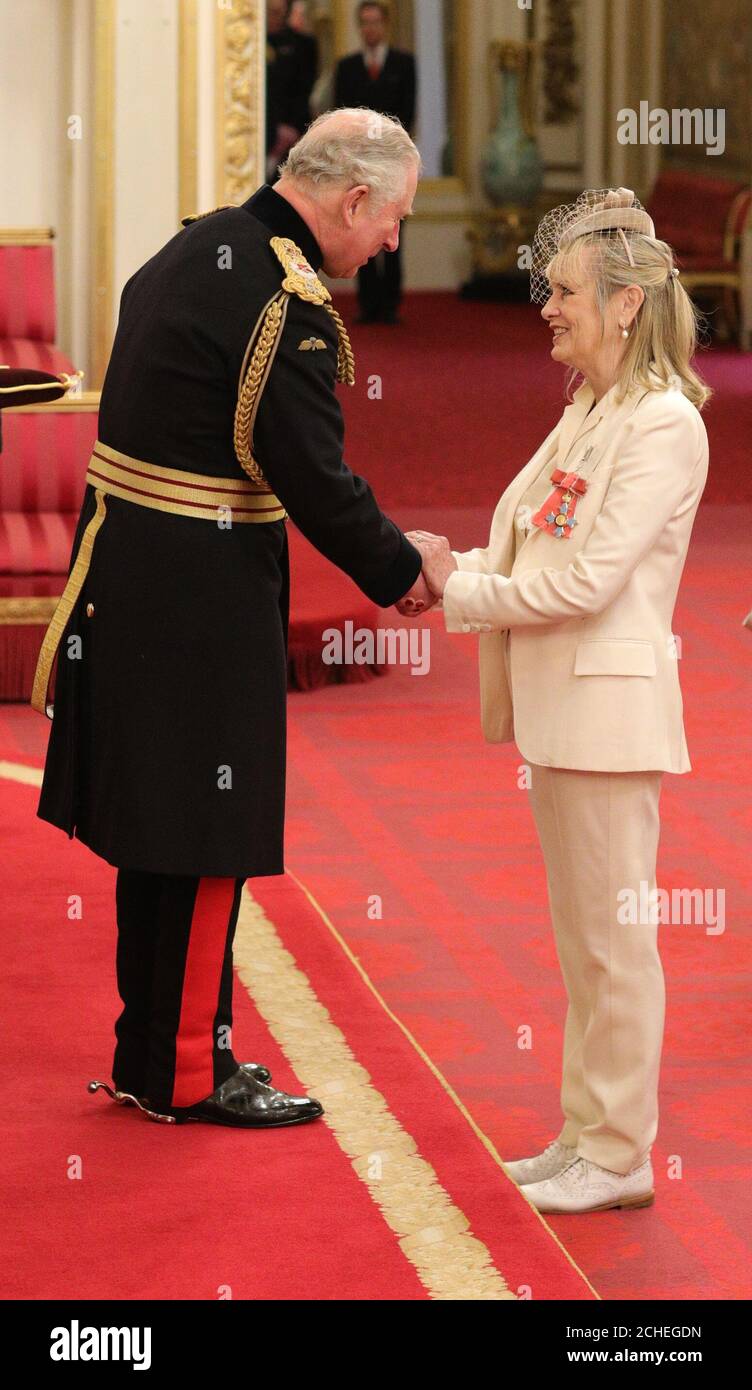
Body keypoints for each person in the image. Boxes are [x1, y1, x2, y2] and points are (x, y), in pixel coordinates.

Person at [33, 108, 431, 1130]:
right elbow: (310, 471)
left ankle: (146, 1052)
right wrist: (399, 568)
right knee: (208, 833)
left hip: (128, 568)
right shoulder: (281, 295)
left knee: (154, 830)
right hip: (201, 597)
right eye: (391, 220)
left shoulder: (199, 242)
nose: (390, 241)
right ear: (350, 201)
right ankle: (184, 1071)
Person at [410, 189, 710, 1214]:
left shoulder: (661, 422)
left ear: (625, 303)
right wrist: (450, 564)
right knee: (583, 943)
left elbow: (583, 583)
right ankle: (585, 1133)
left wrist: (454, 588)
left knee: (612, 945)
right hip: (562, 719)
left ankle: (621, 1150)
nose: (546, 306)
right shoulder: (590, 408)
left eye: (566, 291)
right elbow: (534, 539)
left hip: (607, 719)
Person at [334, 1, 416, 324]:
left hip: (393, 162)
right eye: (364, 23)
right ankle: (368, 303)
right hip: (359, 165)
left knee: (394, 231)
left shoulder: (404, 64)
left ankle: (391, 303)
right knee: (362, 230)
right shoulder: (347, 67)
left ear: (385, 26)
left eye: (375, 22)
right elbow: (341, 116)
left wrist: (388, 152)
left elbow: (408, 113)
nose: (370, 29)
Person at [266, 0, 318, 181]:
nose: (275, 17)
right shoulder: (253, 42)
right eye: (271, 12)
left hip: (294, 131)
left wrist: (290, 128)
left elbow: (303, 89)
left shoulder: (303, 45)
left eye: (279, 12)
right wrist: (273, 127)